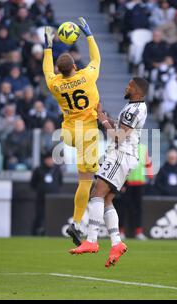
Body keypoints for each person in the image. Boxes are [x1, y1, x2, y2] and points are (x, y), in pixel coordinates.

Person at [69, 78, 148, 269]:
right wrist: (102, 116)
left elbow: (120, 137)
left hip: (120, 155)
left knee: (97, 193)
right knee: (106, 200)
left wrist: (103, 121)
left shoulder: (133, 110)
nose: (126, 86)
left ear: (137, 90)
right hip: (123, 156)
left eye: (129, 85)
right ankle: (116, 243)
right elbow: (122, 127)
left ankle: (92, 240)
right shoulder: (134, 107)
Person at [43, 18, 101, 246]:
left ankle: (78, 224)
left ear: (60, 70)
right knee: (87, 181)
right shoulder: (86, 77)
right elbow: (96, 58)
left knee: (85, 177)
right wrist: (89, 34)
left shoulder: (55, 84)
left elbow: (47, 70)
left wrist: (47, 47)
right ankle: (77, 224)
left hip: (68, 132)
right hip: (87, 132)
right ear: (75, 66)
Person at [117, 144, 153, 241]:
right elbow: (120, 165)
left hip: (140, 183)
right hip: (127, 183)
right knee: (122, 209)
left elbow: (148, 163)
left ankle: (138, 232)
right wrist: (121, 183)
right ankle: (120, 232)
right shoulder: (123, 147)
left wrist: (150, 178)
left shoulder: (143, 148)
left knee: (138, 209)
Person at [30, 151, 63, 235]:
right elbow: (33, 183)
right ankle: (36, 233)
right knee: (40, 216)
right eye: (48, 159)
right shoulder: (38, 169)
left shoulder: (57, 169)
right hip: (41, 198)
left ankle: (53, 232)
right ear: (44, 160)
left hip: (54, 198)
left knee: (53, 215)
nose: (50, 161)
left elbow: (60, 182)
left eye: (51, 159)